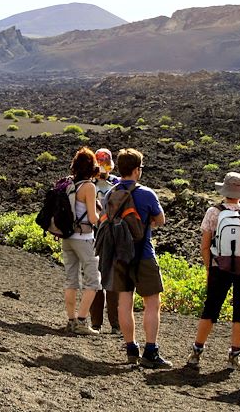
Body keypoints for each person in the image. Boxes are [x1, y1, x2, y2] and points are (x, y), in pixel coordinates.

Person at [186, 172, 240, 370]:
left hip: (218, 266)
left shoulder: (213, 212)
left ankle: (197, 352)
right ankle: (234, 356)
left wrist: (209, 267)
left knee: (211, 307)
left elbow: (204, 245)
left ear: (224, 190)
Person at [111, 148, 171, 368]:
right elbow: (161, 219)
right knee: (152, 303)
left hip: (120, 256)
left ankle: (131, 349)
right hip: (144, 253)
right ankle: (151, 352)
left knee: (124, 302)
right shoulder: (146, 194)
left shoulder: (111, 193)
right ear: (137, 170)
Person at [61, 147, 102, 335]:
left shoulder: (69, 184)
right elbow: (93, 219)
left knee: (71, 280)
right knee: (93, 281)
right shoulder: (89, 187)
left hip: (67, 237)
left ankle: (70, 321)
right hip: (84, 238)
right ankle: (82, 322)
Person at [89, 148, 121, 334]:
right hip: (106, 233)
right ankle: (109, 323)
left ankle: (101, 323)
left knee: (102, 279)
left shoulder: (92, 183)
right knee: (106, 279)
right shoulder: (116, 184)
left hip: (99, 234)